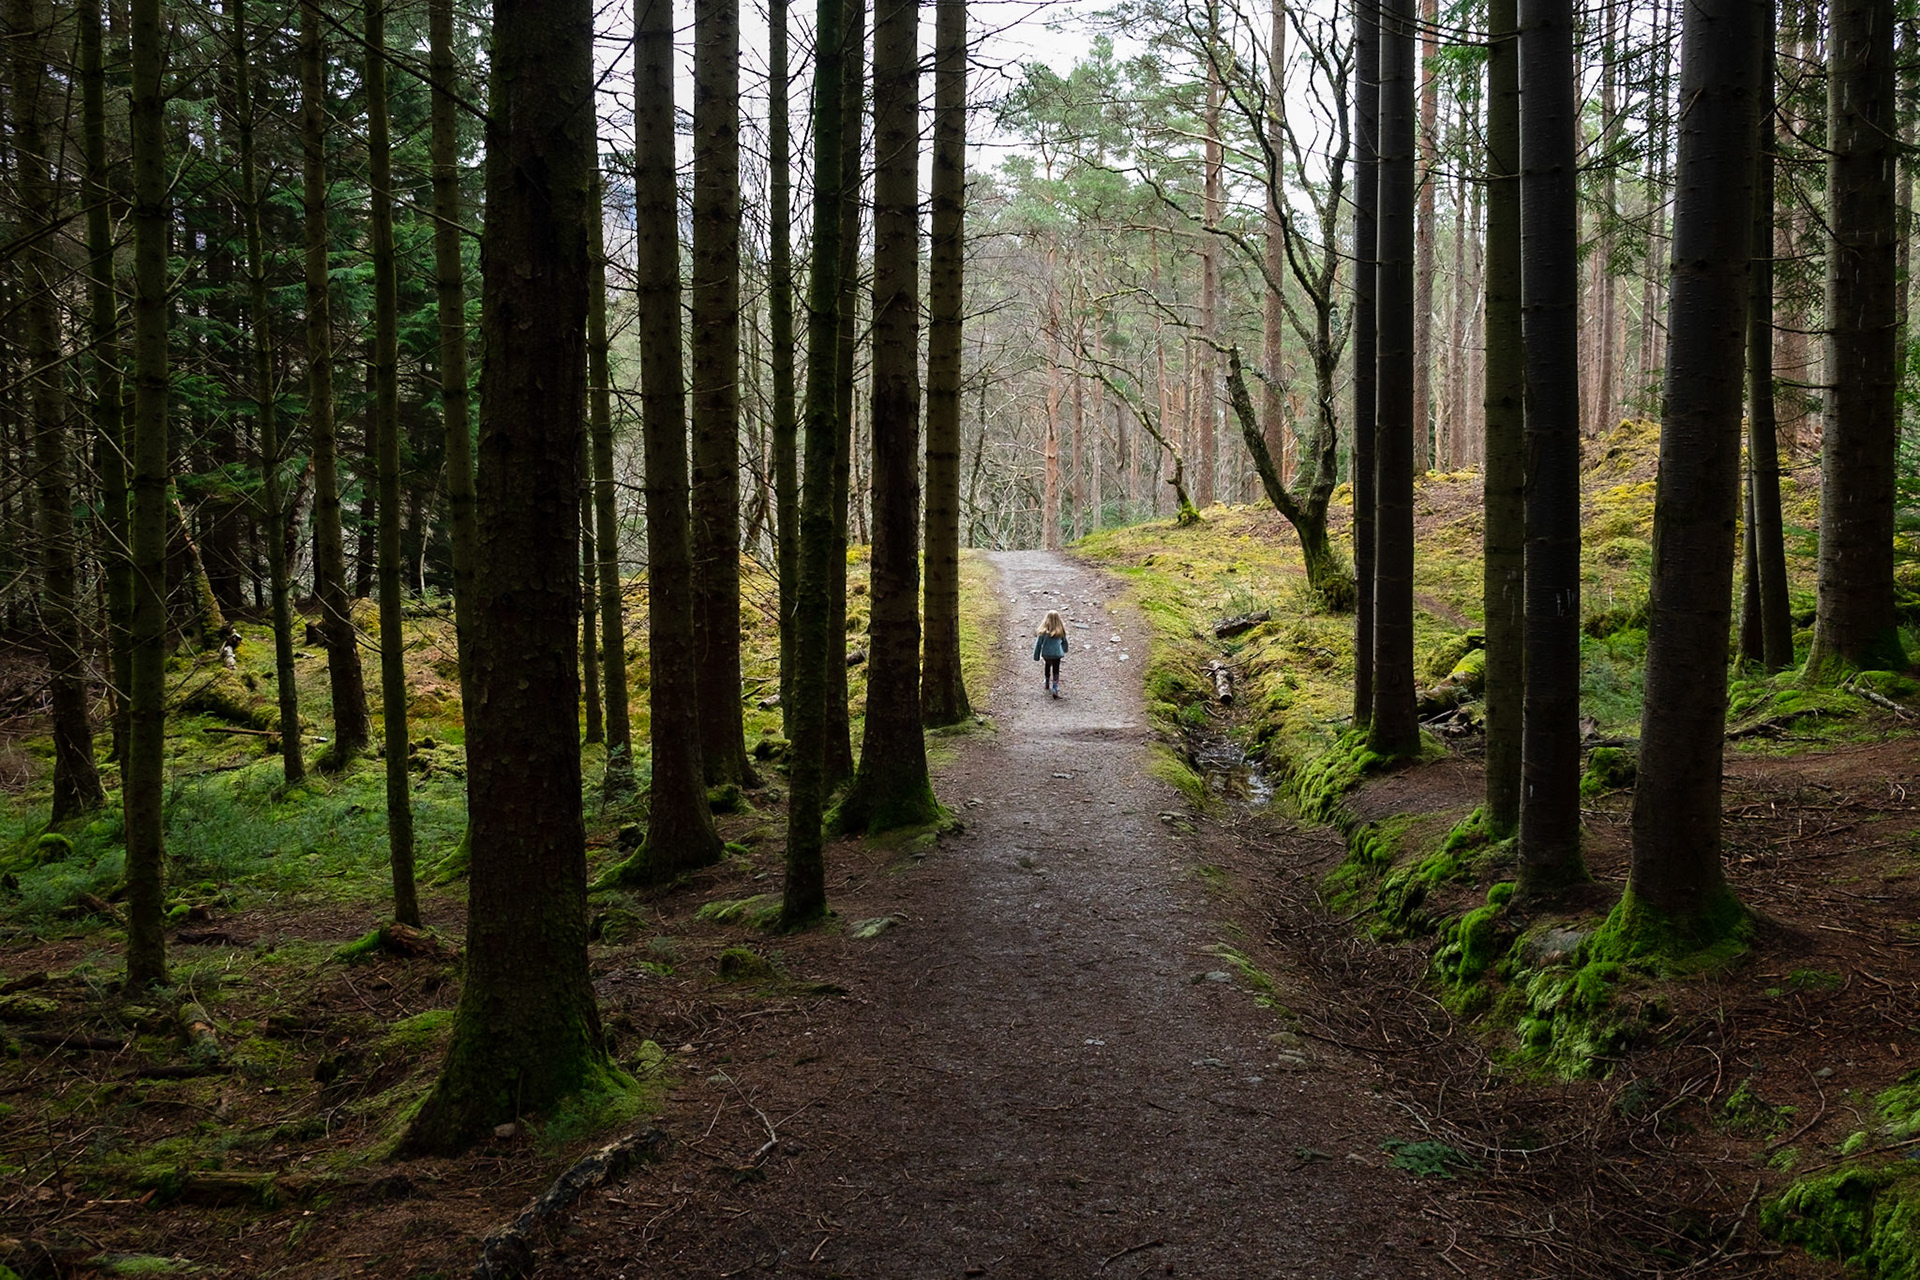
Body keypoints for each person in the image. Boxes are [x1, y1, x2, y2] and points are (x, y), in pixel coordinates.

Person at [1032, 609, 1070, 698]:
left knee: (1047, 666)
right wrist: (1064, 649)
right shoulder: (1060, 632)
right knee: (1056, 669)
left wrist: (1036, 656)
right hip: (1057, 654)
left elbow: (1038, 645)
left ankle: (1047, 681)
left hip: (1046, 654)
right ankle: (1055, 687)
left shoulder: (1043, 632)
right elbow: (1065, 642)